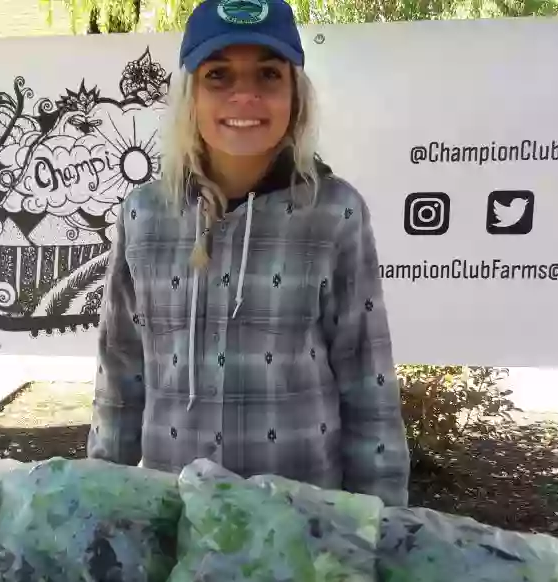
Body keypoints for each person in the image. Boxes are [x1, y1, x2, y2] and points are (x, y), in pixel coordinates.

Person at [87, 0, 410, 507]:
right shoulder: (143, 214)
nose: (245, 95)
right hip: (175, 514)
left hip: (301, 518)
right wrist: (100, 504)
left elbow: (366, 379)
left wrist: (381, 525)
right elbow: (120, 373)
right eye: (218, 75)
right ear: (190, 96)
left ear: (295, 97)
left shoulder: (335, 212)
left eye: (268, 74)